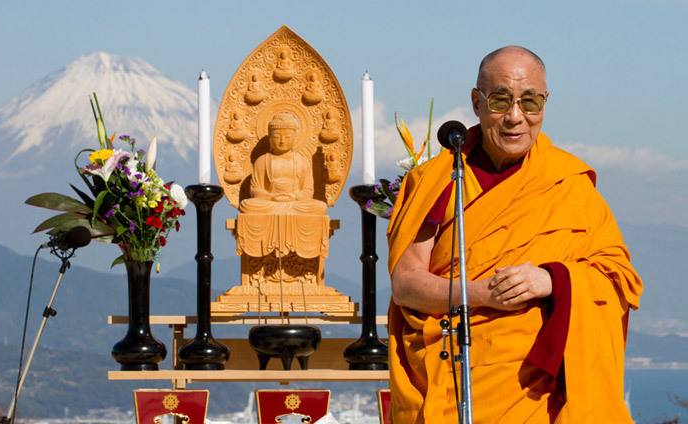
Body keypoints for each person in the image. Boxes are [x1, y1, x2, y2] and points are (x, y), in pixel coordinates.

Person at [387, 46, 643, 423]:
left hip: (538, 393)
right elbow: (405, 284)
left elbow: (619, 280)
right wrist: (481, 293)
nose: (514, 117)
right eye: (501, 100)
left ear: (545, 103)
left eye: (530, 102)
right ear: (476, 103)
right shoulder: (436, 182)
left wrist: (552, 279)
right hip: (455, 377)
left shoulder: (569, 185)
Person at [240, 112, 327, 215]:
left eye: (288, 137)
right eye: (277, 137)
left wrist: (295, 197)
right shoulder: (262, 161)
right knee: (246, 205)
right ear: (270, 138)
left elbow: (308, 191)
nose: (282, 141)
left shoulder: (302, 161)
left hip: (296, 203)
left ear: (295, 137)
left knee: (320, 207)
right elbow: (254, 190)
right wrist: (271, 197)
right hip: (270, 203)